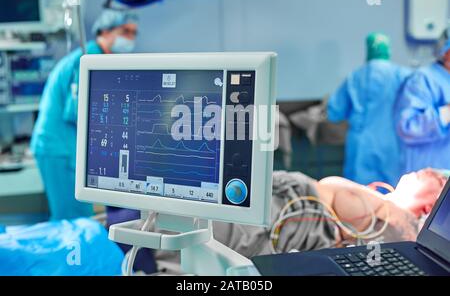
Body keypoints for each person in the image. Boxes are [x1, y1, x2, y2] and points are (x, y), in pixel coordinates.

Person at [153, 169, 447, 273]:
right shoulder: (384, 203)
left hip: (280, 218)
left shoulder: (405, 226)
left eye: (430, 178)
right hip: (282, 197)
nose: (416, 173)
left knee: (190, 230)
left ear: (429, 204)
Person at [31, 9, 138, 220]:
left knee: (78, 214)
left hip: (63, 146)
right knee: (72, 218)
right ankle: (72, 253)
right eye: (125, 31)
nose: (130, 38)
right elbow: (78, 112)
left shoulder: (100, 59)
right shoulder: (89, 59)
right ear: (105, 31)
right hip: (59, 148)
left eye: (134, 33)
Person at [327, 32, 411, 186]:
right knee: (394, 196)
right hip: (392, 144)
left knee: (360, 197)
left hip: (361, 146)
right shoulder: (403, 75)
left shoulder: (354, 77)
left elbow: (334, 112)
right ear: (388, 50)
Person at [395, 28, 450, 175]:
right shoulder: (423, 79)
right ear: (446, 53)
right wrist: (446, 112)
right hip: (428, 180)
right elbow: (409, 127)